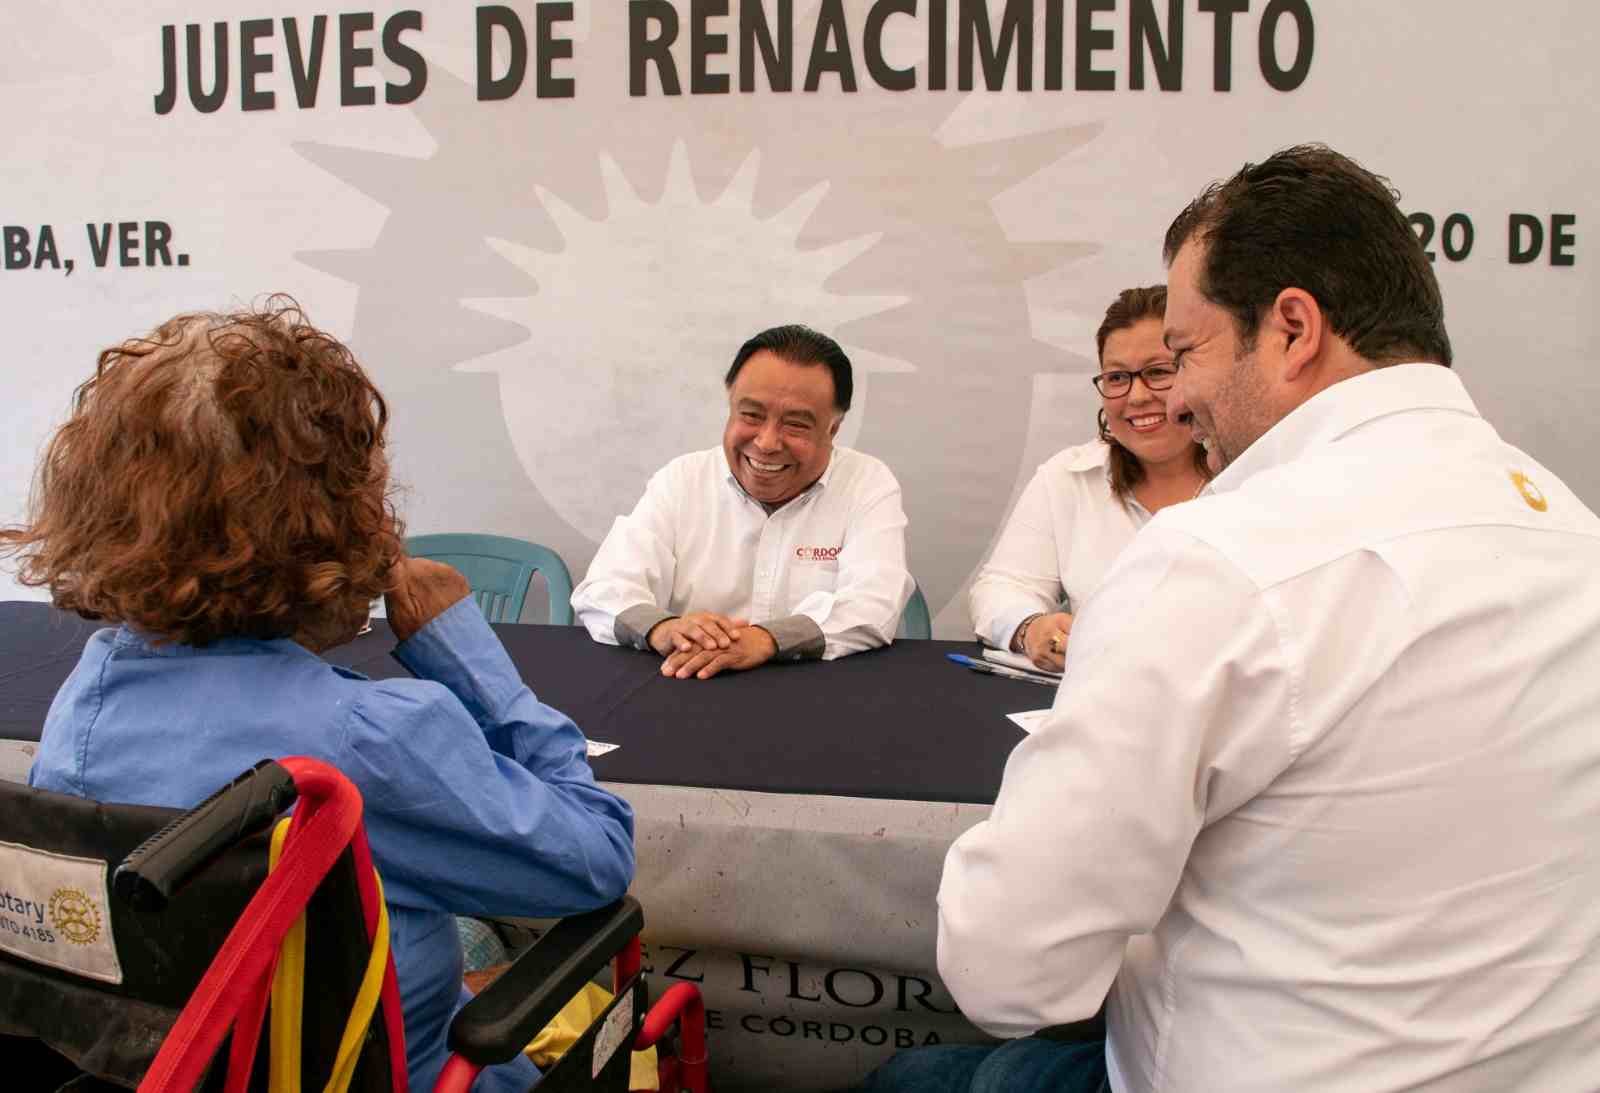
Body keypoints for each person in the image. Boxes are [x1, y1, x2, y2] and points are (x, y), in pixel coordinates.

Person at [864, 144, 1600, 1092]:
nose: (1176, 395)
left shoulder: (1218, 560)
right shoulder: (1573, 529)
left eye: (1182, 354)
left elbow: (1007, 968)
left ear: (1293, 328)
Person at [3, 301, 635, 1092]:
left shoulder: (87, 699)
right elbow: (598, 860)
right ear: (332, 520)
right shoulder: (369, 737)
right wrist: (472, 660)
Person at [570, 324, 913, 679]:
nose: (766, 443)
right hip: (693, 688)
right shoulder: (682, 479)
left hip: (818, 694)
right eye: (751, 415)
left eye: (795, 424)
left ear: (833, 428)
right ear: (730, 403)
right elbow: (602, 589)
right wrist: (665, 629)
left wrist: (764, 639)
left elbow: (876, 603)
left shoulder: (867, 483)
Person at [968, 286, 1209, 671]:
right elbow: (1000, 587)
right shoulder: (1067, 478)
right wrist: (1032, 628)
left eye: (1158, 372)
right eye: (1117, 378)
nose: (1137, 396)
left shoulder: (1252, 475)